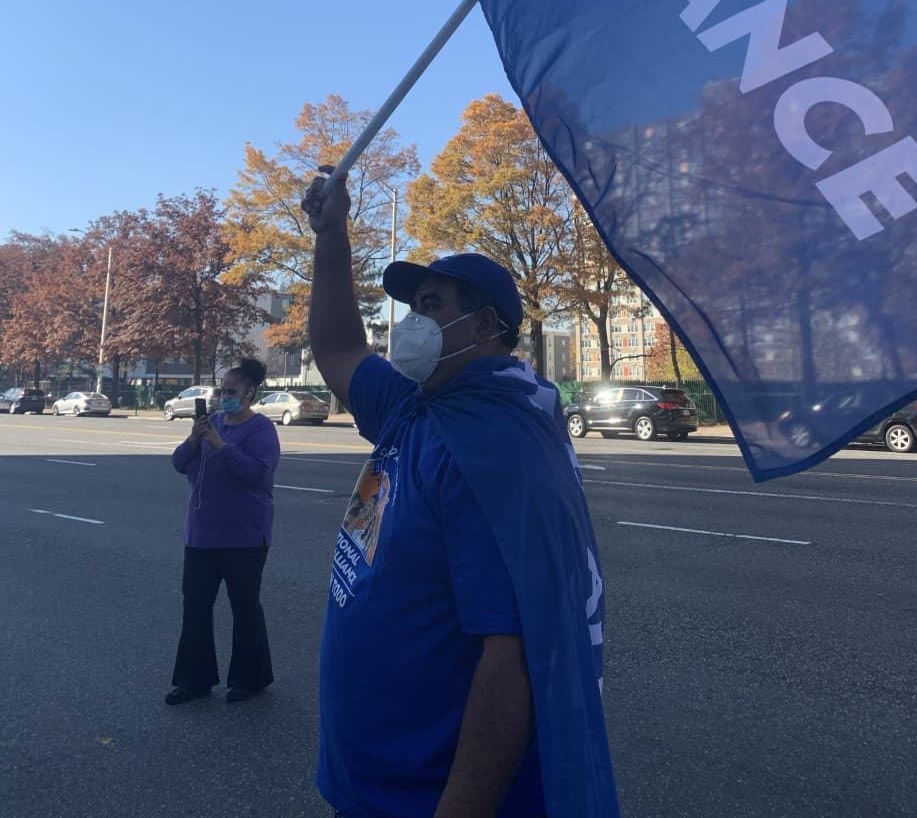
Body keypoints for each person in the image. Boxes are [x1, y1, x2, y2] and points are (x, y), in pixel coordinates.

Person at [302, 169, 619, 818]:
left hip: (424, 799)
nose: (411, 322)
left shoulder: (496, 451)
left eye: (431, 306)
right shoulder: (416, 403)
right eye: (412, 305)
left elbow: (514, 659)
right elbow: (337, 347)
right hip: (369, 780)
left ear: (485, 328)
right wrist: (331, 235)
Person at [165, 356, 280, 706]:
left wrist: (219, 445)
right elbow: (179, 463)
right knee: (196, 607)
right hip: (201, 536)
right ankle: (194, 680)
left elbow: (256, 474)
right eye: (221, 391)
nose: (223, 397)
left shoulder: (260, 430)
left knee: (244, 607)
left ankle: (250, 678)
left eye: (231, 391)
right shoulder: (210, 423)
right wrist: (193, 441)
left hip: (244, 538)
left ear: (250, 394)